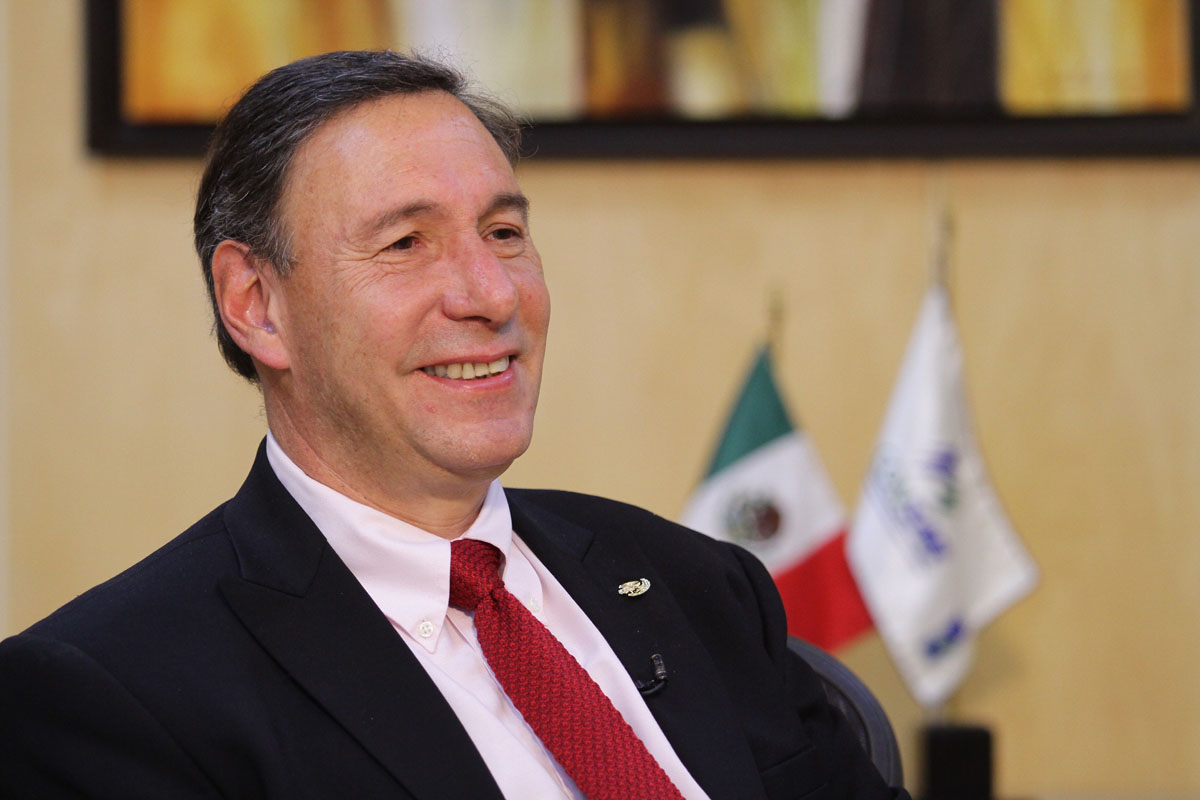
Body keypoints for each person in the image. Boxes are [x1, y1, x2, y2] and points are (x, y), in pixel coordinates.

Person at [0, 51, 907, 799]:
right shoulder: (109, 693)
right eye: (406, 244)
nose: (491, 293)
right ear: (257, 304)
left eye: (504, 233)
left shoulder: (700, 585)